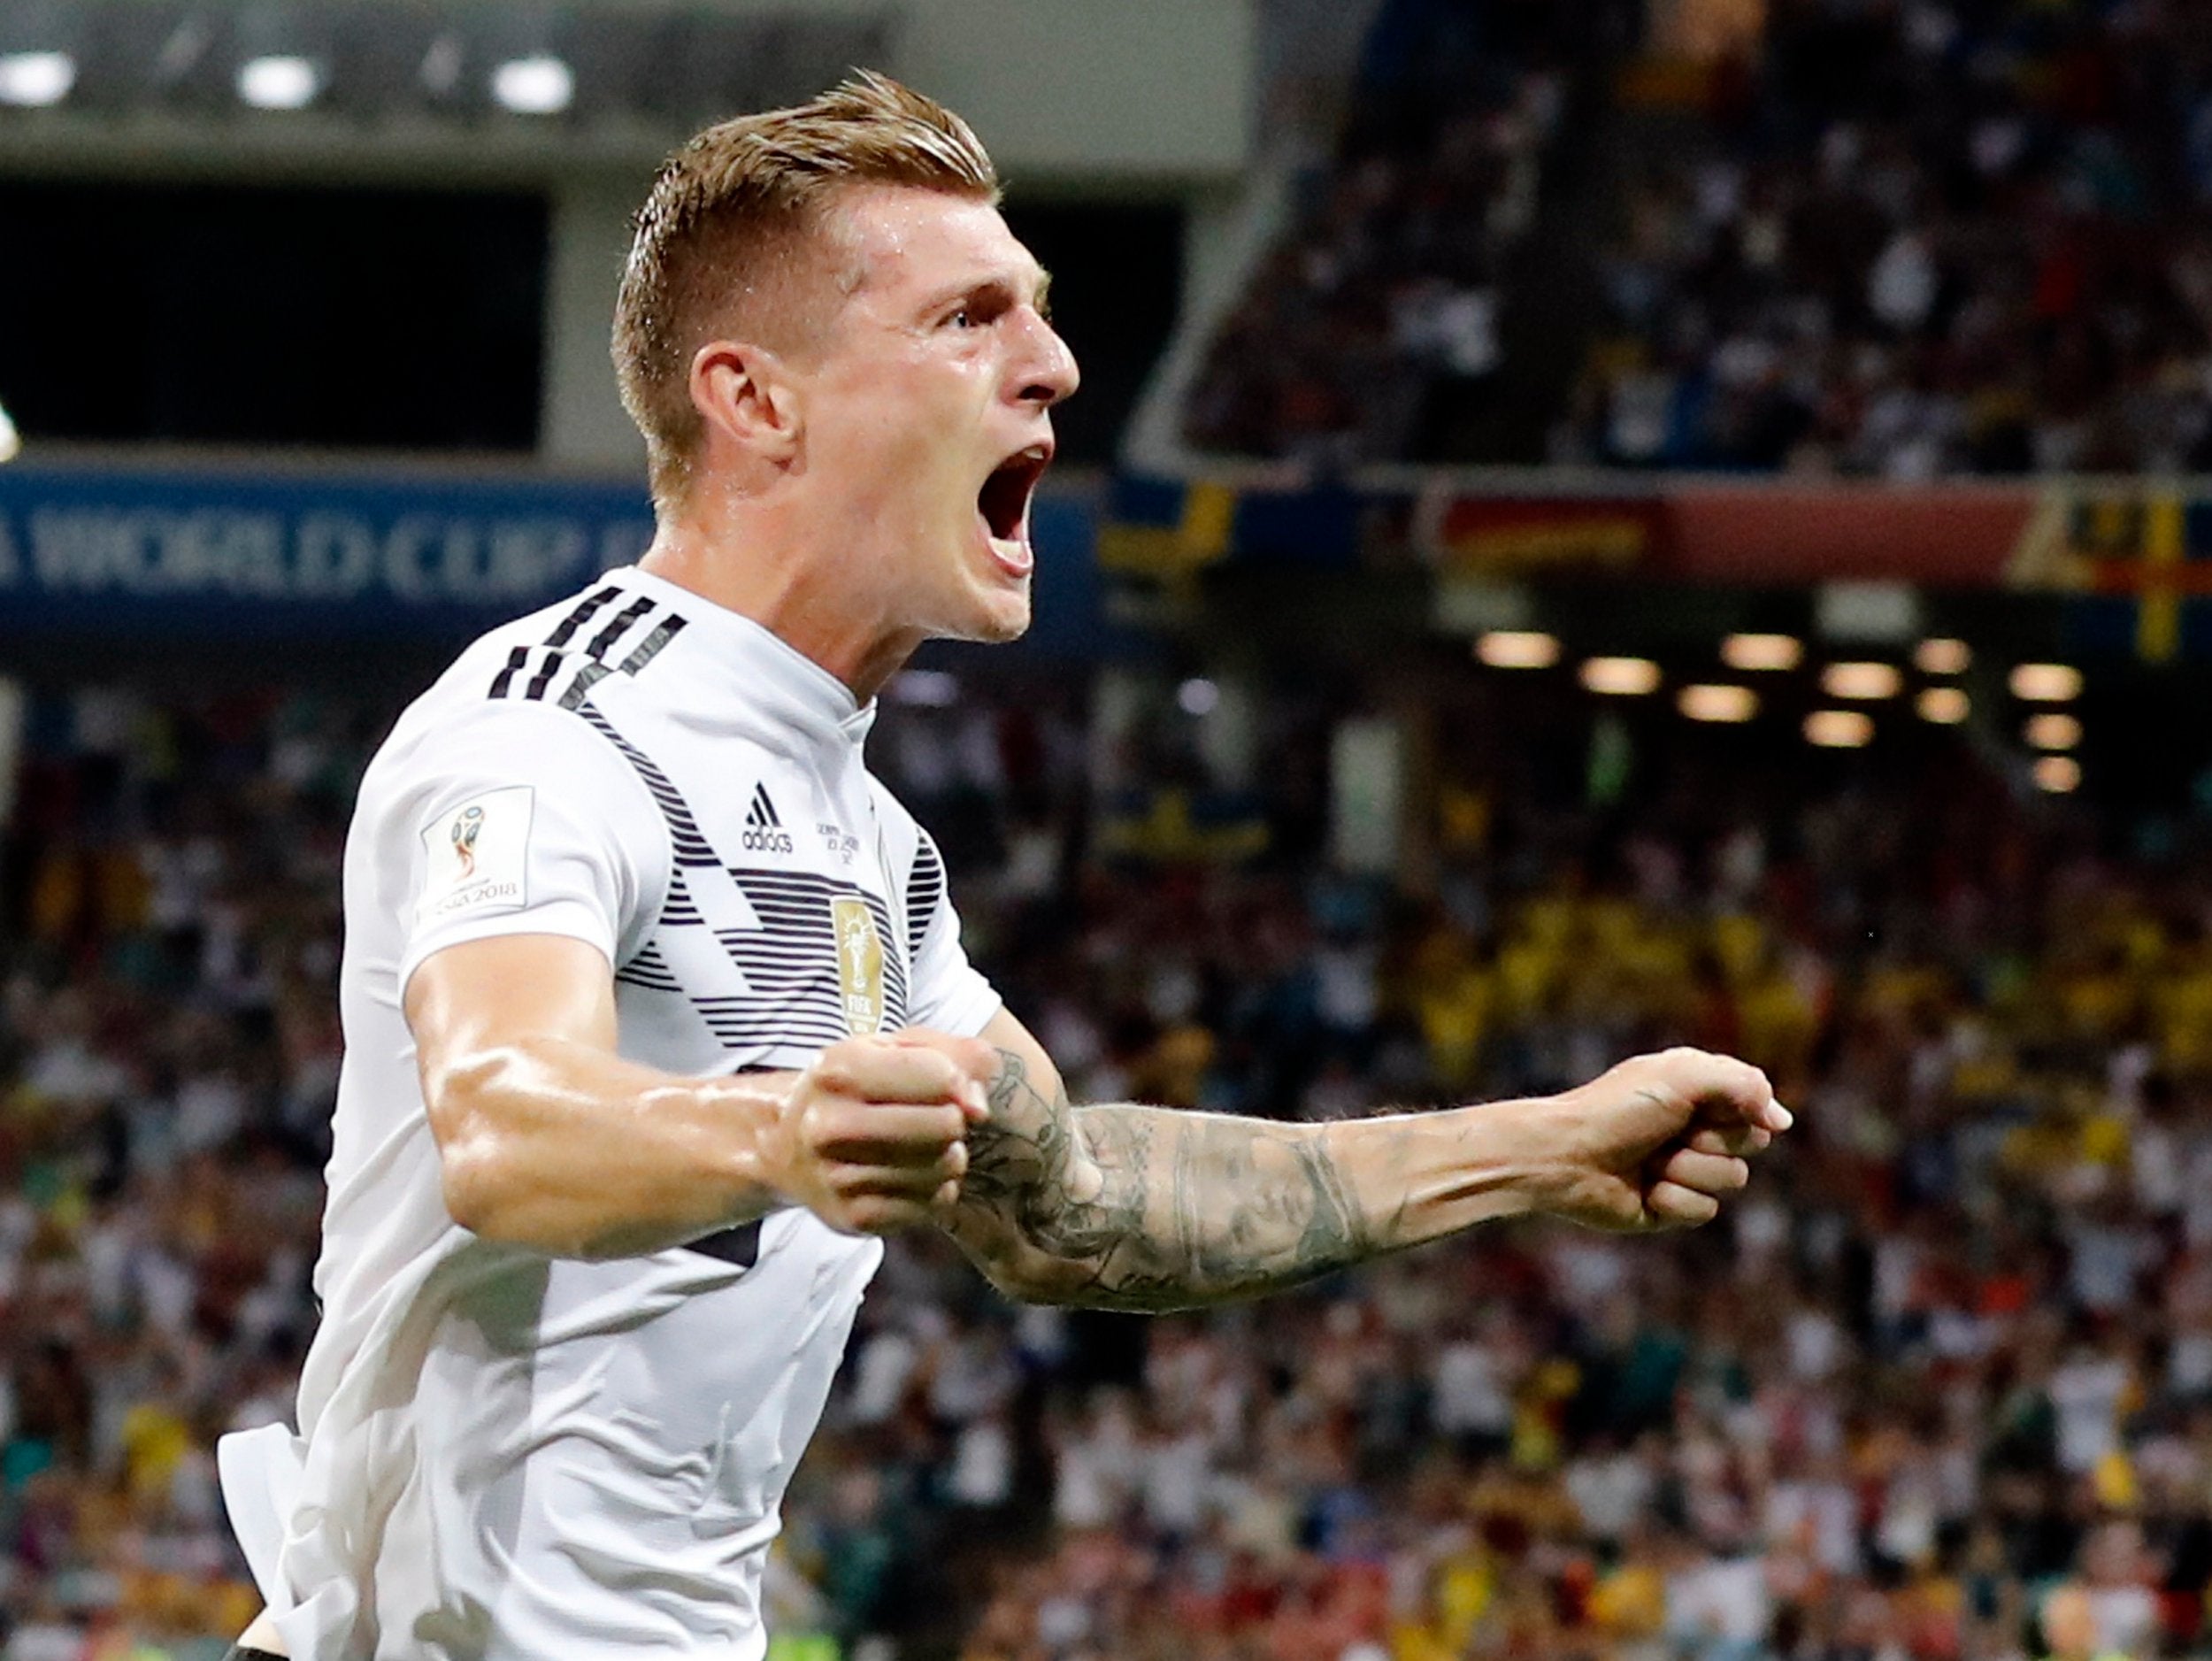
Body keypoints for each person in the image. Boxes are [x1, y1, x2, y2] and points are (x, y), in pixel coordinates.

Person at [216, 72, 1793, 1660]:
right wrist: (780, 1125)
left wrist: (1544, 1148)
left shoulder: (875, 855)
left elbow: (1078, 1204)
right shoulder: (553, 729)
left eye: (1033, 313)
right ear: (757, 400)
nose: (1054, 363)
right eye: (970, 320)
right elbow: (501, 1119)